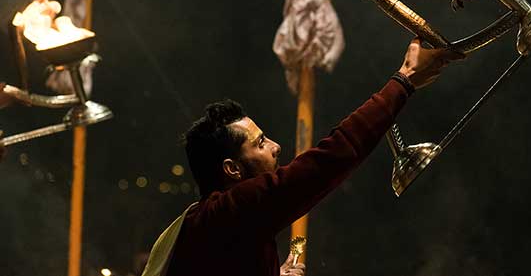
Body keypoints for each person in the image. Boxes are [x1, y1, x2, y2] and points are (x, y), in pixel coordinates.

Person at [142, 39, 463, 276]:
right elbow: (328, 160)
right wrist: (404, 79)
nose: (276, 146)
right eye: (261, 143)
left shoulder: (216, 224)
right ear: (232, 169)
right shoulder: (226, 215)